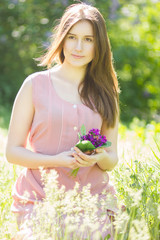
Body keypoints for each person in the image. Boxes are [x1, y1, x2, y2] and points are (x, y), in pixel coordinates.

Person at [6, 2, 120, 239]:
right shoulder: (34, 85)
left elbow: (112, 159)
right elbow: (12, 152)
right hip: (39, 198)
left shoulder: (106, 93)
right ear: (62, 39)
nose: (79, 47)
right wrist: (55, 160)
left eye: (88, 39)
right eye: (72, 37)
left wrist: (100, 157)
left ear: (99, 44)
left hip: (92, 200)